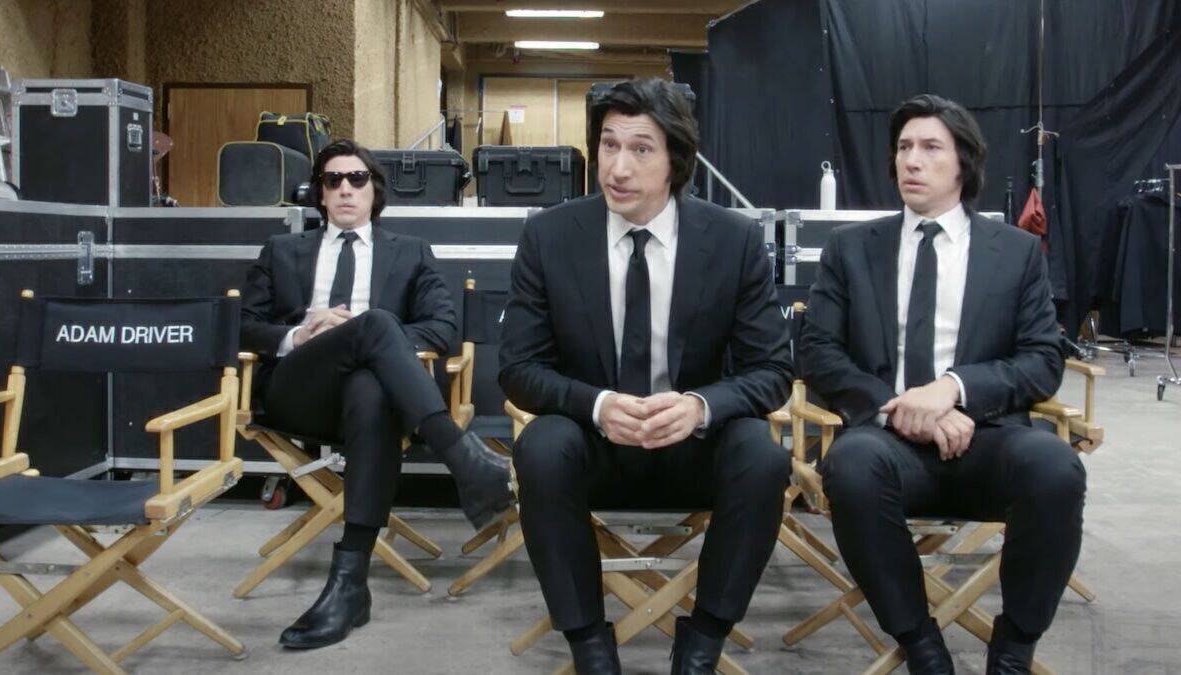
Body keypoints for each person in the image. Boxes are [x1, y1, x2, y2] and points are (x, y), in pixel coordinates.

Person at [499, 78, 792, 675]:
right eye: (608, 145)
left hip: (693, 447)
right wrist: (598, 405)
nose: (618, 167)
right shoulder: (549, 235)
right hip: (594, 445)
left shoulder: (734, 240)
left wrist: (700, 406)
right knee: (541, 445)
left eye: (640, 149)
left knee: (762, 455)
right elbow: (518, 367)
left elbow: (773, 371)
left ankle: (704, 639)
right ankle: (589, 643)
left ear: (676, 161)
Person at [800, 94, 1087, 675]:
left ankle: (1014, 648)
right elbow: (817, 352)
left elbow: (1041, 361)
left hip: (988, 438)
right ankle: (921, 645)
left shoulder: (1016, 253)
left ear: (965, 163)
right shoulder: (851, 250)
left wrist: (953, 389)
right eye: (904, 147)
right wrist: (899, 406)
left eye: (931, 147)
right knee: (850, 467)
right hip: (888, 443)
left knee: (1056, 467)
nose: (911, 160)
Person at [240, 139, 512, 650]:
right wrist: (302, 333)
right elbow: (244, 326)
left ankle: (349, 586)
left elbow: (442, 327)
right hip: (299, 391)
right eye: (333, 180)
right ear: (320, 194)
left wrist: (368, 339)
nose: (345, 188)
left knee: (371, 380)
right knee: (375, 329)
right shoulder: (282, 250)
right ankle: (462, 457)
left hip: (375, 402)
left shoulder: (410, 252)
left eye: (357, 179)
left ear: (374, 192)